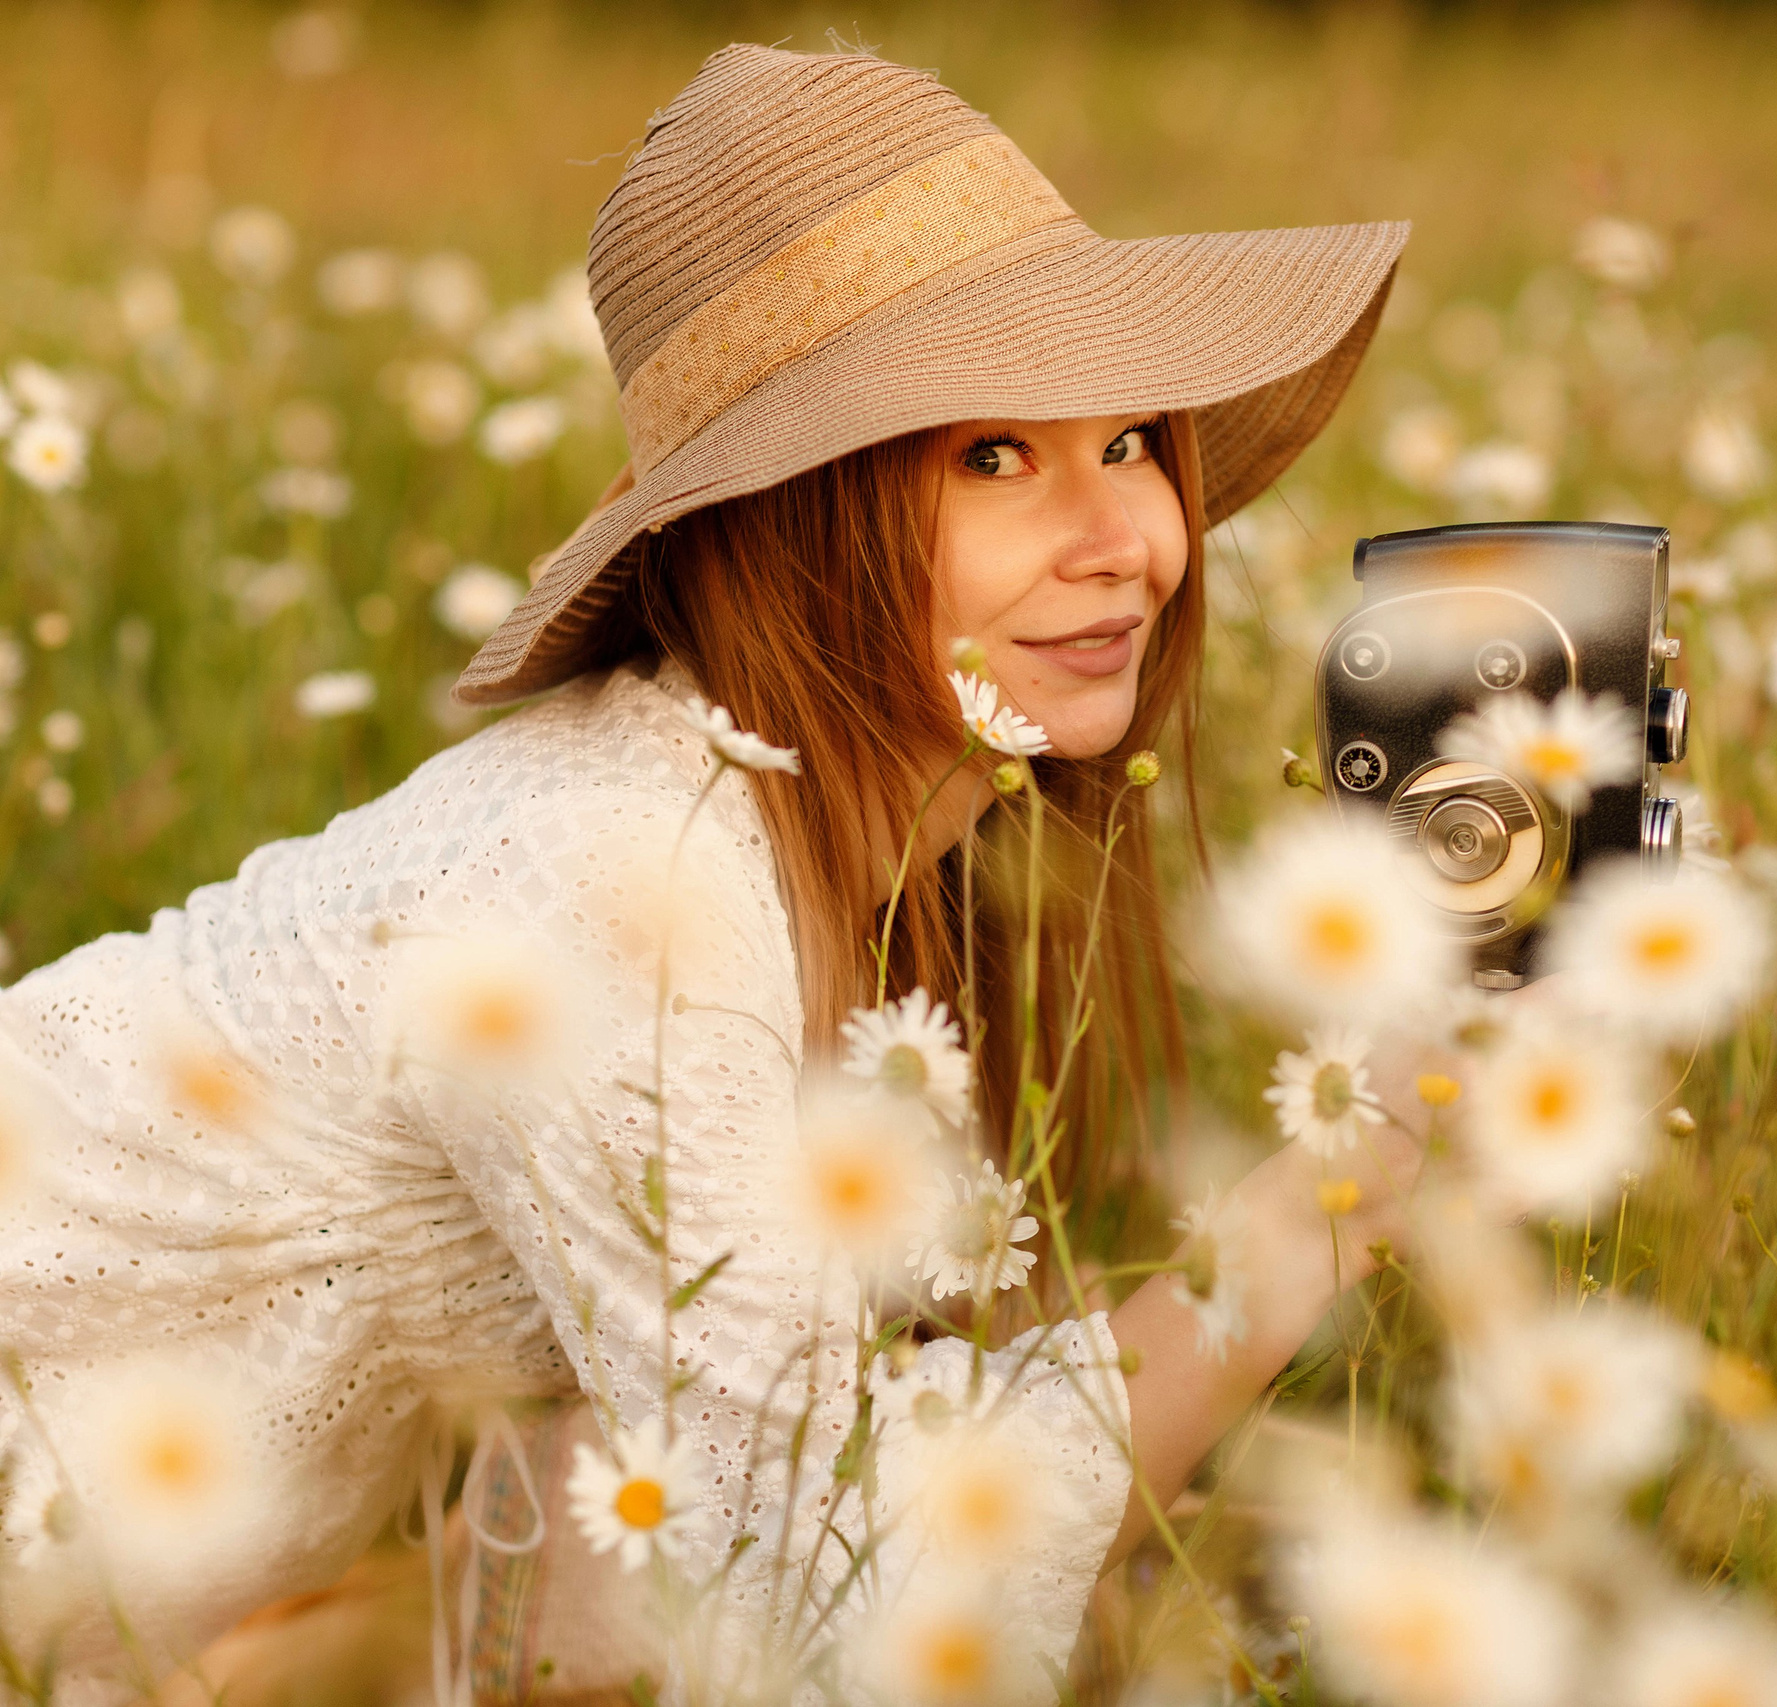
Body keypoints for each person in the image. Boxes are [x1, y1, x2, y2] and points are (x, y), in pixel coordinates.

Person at [0, 42, 1415, 1702]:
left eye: (1124, 440)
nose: (1123, 539)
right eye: (991, 457)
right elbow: (827, 1569)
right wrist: (1342, 1193)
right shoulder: (610, 890)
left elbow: (618, 1521)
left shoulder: (824, 860)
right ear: (793, 512)